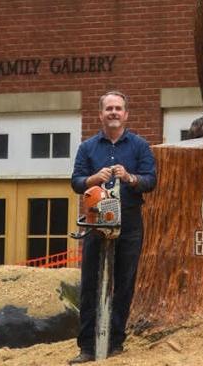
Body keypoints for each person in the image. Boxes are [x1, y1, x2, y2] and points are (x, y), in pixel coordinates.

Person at [68, 91, 157, 363]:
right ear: (101, 114)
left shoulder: (140, 146)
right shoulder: (87, 148)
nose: (114, 113)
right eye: (109, 109)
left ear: (126, 114)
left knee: (124, 283)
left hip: (129, 220)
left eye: (118, 108)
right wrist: (94, 178)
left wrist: (130, 178)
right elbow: (76, 182)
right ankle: (87, 347)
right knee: (90, 283)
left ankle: (115, 342)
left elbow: (151, 180)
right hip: (96, 219)